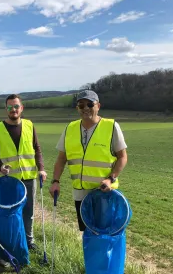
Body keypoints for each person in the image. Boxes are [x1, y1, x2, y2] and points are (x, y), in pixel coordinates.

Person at [49, 90, 128, 232]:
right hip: (80, 195)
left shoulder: (111, 126)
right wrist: (55, 181)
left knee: (104, 235)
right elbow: (61, 159)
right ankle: (89, 256)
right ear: (77, 108)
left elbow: (122, 157)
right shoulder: (70, 128)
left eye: (90, 104)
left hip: (103, 193)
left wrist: (111, 179)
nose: (86, 108)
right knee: (87, 234)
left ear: (98, 106)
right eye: (81, 105)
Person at [0, 94, 47, 265]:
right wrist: (0, 167)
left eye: (16, 106)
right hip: (10, 181)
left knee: (28, 213)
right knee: (10, 216)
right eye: (10, 107)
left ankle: (29, 242)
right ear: (6, 109)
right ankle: (7, 248)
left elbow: (37, 148)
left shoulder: (29, 125)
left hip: (29, 177)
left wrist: (41, 169)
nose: (13, 110)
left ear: (22, 108)